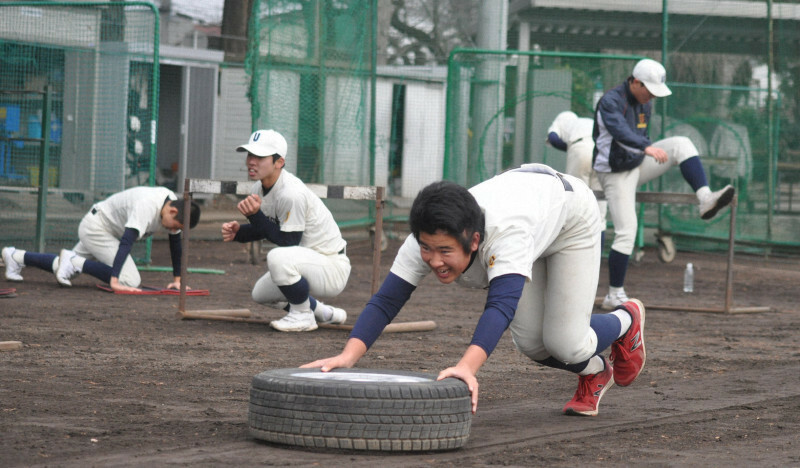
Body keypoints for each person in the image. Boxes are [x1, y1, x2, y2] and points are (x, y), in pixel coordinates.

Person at [303, 164, 647, 417]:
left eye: (445, 251)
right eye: (427, 249)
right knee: (530, 343)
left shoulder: (505, 234)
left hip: (570, 218)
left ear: (475, 240)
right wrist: (348, 355)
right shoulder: (426, 237)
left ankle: (625, 320)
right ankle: (596, 371)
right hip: (530, 202)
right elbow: (387, 300)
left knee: (567, 343)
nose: (434, 260)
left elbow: (500, 306)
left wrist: (466, 367)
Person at [592, 58, 735, 310]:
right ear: (635, 82)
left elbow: (640, 137)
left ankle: (705, 198)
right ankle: (614, 293)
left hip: (636, 162)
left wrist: (645, 149)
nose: (652, 97)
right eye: (649, 90)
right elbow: (619, 135)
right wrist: (646, 148)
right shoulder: (610, 101)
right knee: (627, 230)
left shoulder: (645, 103)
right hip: (614, 172)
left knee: (681, 144)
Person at [221, 129, 350, 332]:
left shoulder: (291, 193)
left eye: (260, 156)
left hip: (331, 266)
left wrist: (255, 216)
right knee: (261, 294)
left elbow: (288, 241)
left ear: (279, 162)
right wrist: (240, 233)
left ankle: (302, 315)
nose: (251, 161)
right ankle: (324, 314)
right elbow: (269, 228)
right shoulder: (258, 188)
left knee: (278, 257)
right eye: (250, 154)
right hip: (307, 263)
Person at [3, 186, 200, 292]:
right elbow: (127, 242)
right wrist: (114, 280)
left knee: (62, 268)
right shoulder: (148, 205)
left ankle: (16, 257)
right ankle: (73, 261)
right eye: (175, 225)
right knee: (130, 280)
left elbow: (175, 244)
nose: (173, 229)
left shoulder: (173, 206)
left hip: (103, 229)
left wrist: (178, 281)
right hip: (97, 228)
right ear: (173, 211)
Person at [546, 111, 607, 226]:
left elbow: (553, 138)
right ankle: (600, 242)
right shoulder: (587, 122)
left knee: (577, 196)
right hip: (601, 150)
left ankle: (576, 236)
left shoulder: (561, 121)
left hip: (580, 148)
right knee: (599, 204)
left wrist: (571, 149)